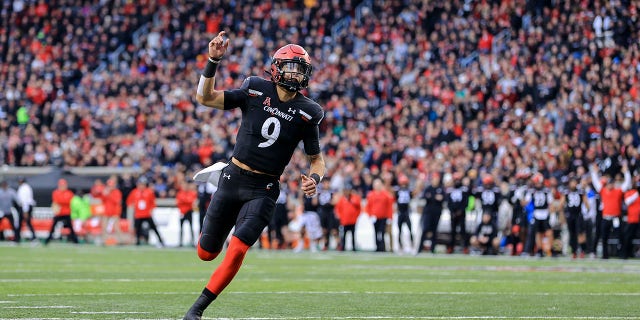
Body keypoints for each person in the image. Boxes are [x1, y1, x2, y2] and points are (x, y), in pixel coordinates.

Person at [183, 31, 325, 320]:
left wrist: (315, 178)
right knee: (205, 254)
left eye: (301, 70)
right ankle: (219, 174)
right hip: (233, 177)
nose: (296, 75)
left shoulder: (309, 111)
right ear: (276, 68)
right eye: (291, 68)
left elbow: (316, 159)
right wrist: (213, 60)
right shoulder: (255, 88)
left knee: (237, 249)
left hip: (265, 187)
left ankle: (196, 310)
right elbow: (204, 98)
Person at [590, 163, 631, 259]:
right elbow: (595, 182)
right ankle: (605, 255)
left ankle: (622, 254)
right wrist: (594, 172)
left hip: (616, 217)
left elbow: (627, 183)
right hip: (606, 217)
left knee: (620, 236)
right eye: (609, 183)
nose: (610, 185)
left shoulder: (617, 191)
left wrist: (626, 172)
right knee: (604, 237)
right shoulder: (603, 191)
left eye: (611, 183)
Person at [127, 177, 165, 247]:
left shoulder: (149, 192)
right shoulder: (134, 192)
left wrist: (151, 210)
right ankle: (137, 242)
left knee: (154, 228)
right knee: (137, 229)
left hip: (147, 214)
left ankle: (161, 241)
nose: (141, 186)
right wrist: (133, 206)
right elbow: (129, 202)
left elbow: (153, 203)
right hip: (138, 214)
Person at [416, 173, 445, 254]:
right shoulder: (428, 188)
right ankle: (420, 248)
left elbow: (443, 198)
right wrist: (435, 197)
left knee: (434, 231)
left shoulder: (440, 188)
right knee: (425, 229)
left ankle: (432, 249)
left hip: (437, 212)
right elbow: (425, 196)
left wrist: (432, 197)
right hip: (428, 212)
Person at [45, 179, 78, 245]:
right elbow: (56, 201)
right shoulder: (56, 192)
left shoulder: (69, 193)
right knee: (53, 226)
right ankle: (47, 240)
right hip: (59, 213)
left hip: (66, 212)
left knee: (70, 227)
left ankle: (75, 241)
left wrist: (60, 202)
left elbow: (67, 201)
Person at [365, 178, 394, 252]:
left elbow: (389, 207)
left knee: (382, 232)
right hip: (374, 217)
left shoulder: (386, 194)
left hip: (383, 217)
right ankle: (377, 246)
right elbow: (368, 207)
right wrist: (370, 215)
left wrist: (389, 217)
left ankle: (382, 247)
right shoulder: (370, 195)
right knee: (376, 232)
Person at [334, 181, 361, 251]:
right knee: (343, 235)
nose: (347, 192)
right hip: (344, 221)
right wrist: (340, 216)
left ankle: (354, 247)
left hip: (352, 220)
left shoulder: (355, 198)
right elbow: (337, 209)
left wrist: (356, 216)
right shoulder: (342, 199)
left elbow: (359, 208)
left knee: (353, 235)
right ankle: (343, 247)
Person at [394, 174, 414, 253]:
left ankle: (412, 245)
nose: (403, 185)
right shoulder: (397, 191)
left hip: (406, 212)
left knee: (410, 229)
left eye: (405, 183)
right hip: (400, 212)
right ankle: (400, 246)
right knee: (399, 230)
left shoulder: (409, 191)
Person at [101, 177, 124, 245]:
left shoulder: (117, 192)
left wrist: (109, 195)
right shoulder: (106, 192)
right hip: (107, 211)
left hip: (115, 212)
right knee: (104, 226)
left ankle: (121, 240)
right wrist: (104, 194)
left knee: (116, 227)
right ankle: (104, 240)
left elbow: (117, 201)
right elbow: (103, 200)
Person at [176, 181, 198, 247]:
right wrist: (187, 201)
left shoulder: (190, 193)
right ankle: (180, 242)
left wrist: (185, 200)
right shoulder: (180, 193)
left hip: (189, 212)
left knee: (191, 227)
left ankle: (193, 242)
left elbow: (192, 201)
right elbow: (179, 202)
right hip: (182, 212)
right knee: (181, 228)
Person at [0, 177, 21, 243]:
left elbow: (17, 200)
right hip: (1, 211)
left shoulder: (11, 191)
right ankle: (1, 237)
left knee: (14, 225)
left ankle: (16, 238)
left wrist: (20, 204)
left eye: (5, 185)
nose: (4, 186)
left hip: (9, 211)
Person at [16, 176, 37, 241]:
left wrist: (25, 211)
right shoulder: (24, 187)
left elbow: (24, 200)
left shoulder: (24, 188)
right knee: (23, 223)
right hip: (25, 207)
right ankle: (17, 238)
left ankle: (33, 237)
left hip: (25, 207)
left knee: (26, 222)